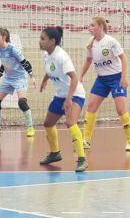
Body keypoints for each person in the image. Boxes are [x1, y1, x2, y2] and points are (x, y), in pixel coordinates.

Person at [80, 16, 130, 151]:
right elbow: (88, 61)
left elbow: (123, 58)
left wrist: (124, 77)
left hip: (116, 78)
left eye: (92, 25)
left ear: (100, 27)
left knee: (121, 109)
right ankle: (86, 140)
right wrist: (80, 76)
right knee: (91, 107)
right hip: (101, 80)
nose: (90, 28)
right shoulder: (91, 44)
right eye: (90, 25)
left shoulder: (111, 41)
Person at [39, 26, 88, 172]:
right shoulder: (47, 55)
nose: (40, 41)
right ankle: (55, 153)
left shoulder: (62, 56)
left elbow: (74, 78)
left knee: (70, 122)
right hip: (61, 95)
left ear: (52, 41)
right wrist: (44, 80)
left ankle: (82, 159)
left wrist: (69, 99)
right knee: (48, 123)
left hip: (75, 94)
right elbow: (51, 70)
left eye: (43, 39)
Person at [0, 28, 36, 137]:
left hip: (19, 78)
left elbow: (25, 62)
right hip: (8, 78)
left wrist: (32, 76)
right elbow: (5, 63)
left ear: (4, 37)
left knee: (22, 103)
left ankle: (30, 128)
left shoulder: (13, 49)